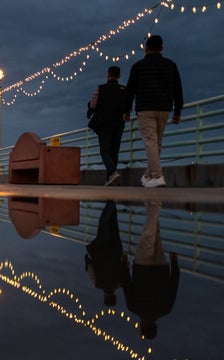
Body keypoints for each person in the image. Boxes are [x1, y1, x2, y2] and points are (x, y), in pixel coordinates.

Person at [123, 35, 184, 188]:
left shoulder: (138, 66)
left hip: (145, 108)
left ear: (146, 48)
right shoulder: (171, 65)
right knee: (157, 144)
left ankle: (158, 176)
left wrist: (126, 109)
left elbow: (130, 90)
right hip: (164, 108)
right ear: (162, 48)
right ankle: (147, 176)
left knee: (151, 142)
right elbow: (178, 89)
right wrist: (177, 110)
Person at [120, 200, 180, 339]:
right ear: (141, 326)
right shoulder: (134, 308)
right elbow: (127, 285)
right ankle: (157, 202)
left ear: (155, 326)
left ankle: (149, 201)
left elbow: (173, 286)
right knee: (148, 234)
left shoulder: (166, 310)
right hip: (142, 267)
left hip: (161, 268)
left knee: (155, 232)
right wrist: (124, 265)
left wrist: (174, 264)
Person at [88, 66, 129, 186]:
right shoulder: (124, 90)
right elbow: (128, 107)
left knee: (105, 150)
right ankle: (110, 178)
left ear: (108, 75)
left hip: (103, 124)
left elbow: (93, 105)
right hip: (118, 124)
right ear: (119, 76)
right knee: (114, 151)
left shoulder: (100, 89)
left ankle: (112, 172)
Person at [84, 201, 124, 307]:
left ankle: (113, 203)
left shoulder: (120, 282)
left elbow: (126, 266)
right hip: (101, 249)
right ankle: (111, 201)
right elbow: (90, 268)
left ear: (114, 296)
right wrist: (87, 260)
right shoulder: (97, 283)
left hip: (116, 249)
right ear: (105, 297)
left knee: (113, 223)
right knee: (103, 222)